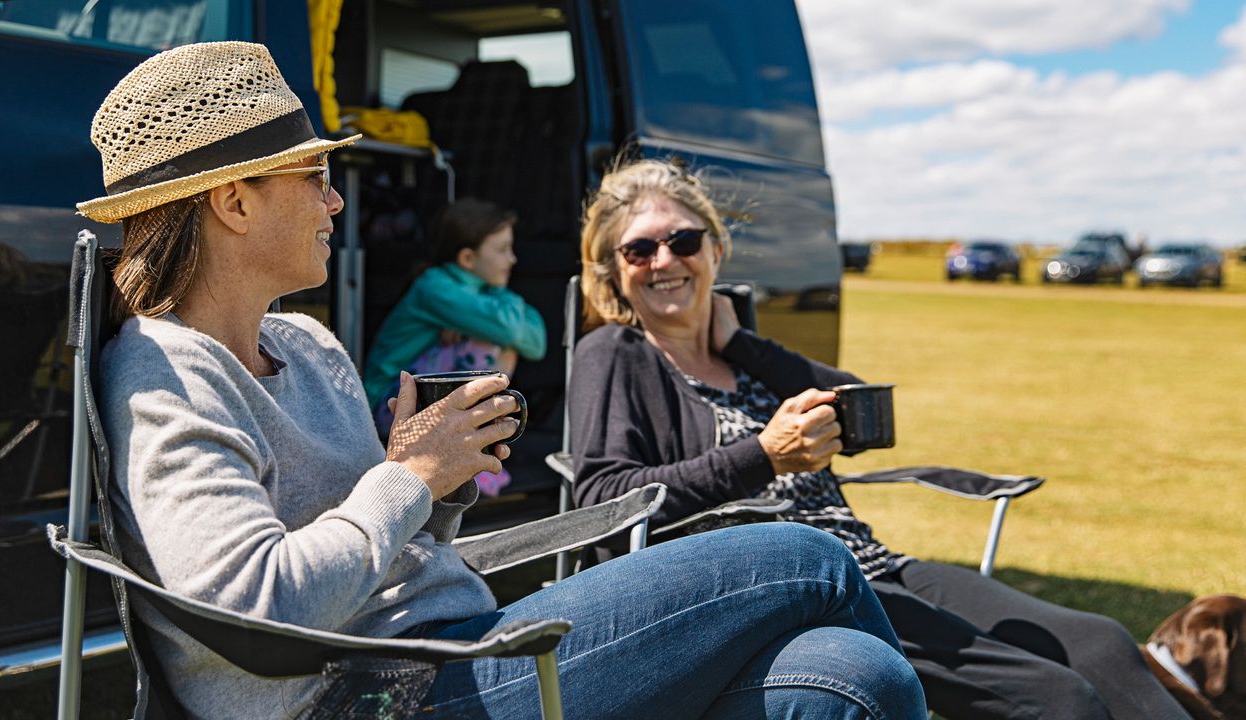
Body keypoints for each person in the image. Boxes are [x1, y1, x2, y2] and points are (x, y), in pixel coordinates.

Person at [77, 42, 927, 720]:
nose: (337, 204)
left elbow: (397, 548)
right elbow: (251, 607)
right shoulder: (167, 378)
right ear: (233, 202)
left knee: (852, 677)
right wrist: (407, 476)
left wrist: (436, 487)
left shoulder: (307, 345)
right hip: (372, 697)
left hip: (455, 647)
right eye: (316, 179)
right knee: (805, 558)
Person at [570, 157, 1194, 720]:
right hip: (781, 589)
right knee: (1057, 698)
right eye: (638, 250)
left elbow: (871, 420)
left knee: (1101, 643)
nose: (664, 261)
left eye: (683, 240)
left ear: (715, 249)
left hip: (873, 563)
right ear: (612, 272)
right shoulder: (617, 354)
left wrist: (738, 341)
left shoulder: (744, 356)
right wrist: (764, 455)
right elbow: (601, 500)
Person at [362, 198, 544, 492]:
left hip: (419, 403)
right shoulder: (434, 287)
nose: (512, 259)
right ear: (468, 259)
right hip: (391, 405)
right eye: (501, 250)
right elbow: (511, 330)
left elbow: (537, 344)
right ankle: (476, 455)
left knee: (499, 342)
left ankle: (474, 446)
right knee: (490, 344)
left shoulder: (482, 291)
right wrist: (504, 305)